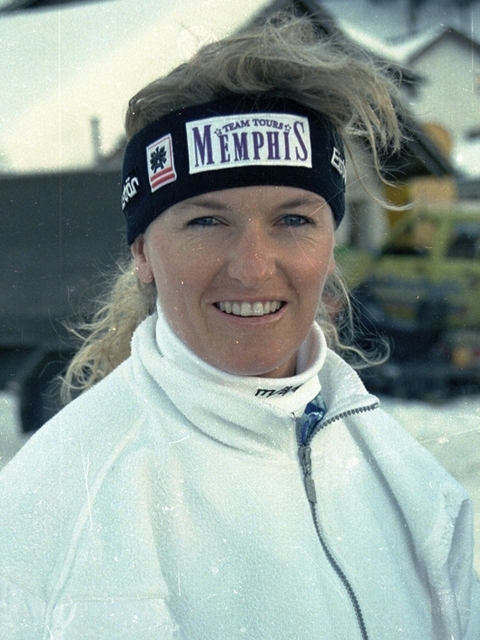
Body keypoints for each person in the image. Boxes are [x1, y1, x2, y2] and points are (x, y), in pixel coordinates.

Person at [0, 13, 478, 640]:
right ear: (143, 252)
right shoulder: (54, 515)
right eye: (206, 221)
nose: (253, 269)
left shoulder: (406, 481)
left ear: (331, 244)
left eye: (293, 220)